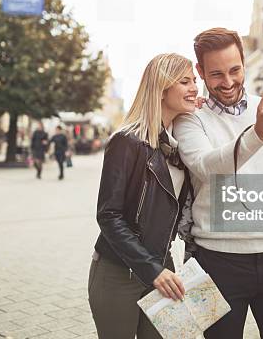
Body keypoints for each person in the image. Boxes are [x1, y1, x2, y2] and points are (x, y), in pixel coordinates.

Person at [174, 28, 263, 339]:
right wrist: (258, 134)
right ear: (200, 72)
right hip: (214, 261)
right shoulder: (190, 119)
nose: (228, 82)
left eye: (235, 70)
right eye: (216, 74)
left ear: (244, 63)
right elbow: (206, 166)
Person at [89, 53, 198, 339]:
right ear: (161, 88)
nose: (194, 88)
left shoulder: (178, 146)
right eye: (185, 81)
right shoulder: (126, 141)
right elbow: (108, 216)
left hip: (163, 268)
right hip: (118, 273)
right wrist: (151, 270)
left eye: (195, 81)